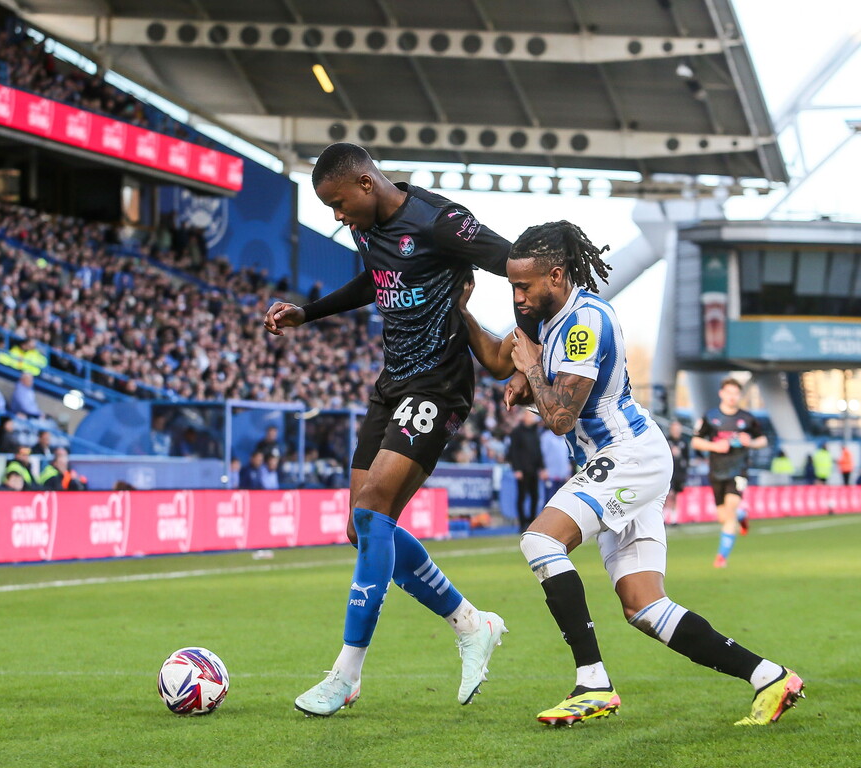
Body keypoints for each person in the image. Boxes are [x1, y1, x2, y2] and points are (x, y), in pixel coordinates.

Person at [459, 220, 802, 727]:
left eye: (524, 285)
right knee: (644, 607)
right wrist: (462, 307)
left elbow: (559, 419)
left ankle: (592, 682)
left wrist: (531, 372)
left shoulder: (584, 323)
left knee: (540, 542)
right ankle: (770, 677)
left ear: (557, 275)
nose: (517, 296)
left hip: (628, 454)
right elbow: (497, 360)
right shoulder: (543, 317)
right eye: (511, 285)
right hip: (618, 461)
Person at [263, 142, 537, 716]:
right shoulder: (369, 229)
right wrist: (307, 313)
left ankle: (345, 674)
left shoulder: (441, 223)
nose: (337, 217)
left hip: (438, 386)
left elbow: (518, 264)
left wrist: (530, 338)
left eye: (339, 204)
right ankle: (472, 624)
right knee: (362, 530)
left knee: (374, 512)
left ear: (366, 183)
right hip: (392, 386)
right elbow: (376, 281)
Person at [691, 378, 768, 566]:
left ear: (739, 395)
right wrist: (714, 446)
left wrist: (750, 442)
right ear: (722, 394)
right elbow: (696, 441)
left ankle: (721, 557)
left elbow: (763, 440)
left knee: (730, 511)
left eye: (736, 393)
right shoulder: (710, 417)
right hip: (717, 471)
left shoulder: (748, 418)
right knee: (723, 517)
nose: (732, 397)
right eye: (729, 393)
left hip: (738, 470)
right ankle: (742, 516)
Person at [507, 409, 546, 531]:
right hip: (522, 470)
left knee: (535, 496)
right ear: (525, 417)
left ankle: (532, 521)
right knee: (522, 497)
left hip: (534, 469)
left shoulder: (535, 431)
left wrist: (542, 468)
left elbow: (538, 451)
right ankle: (522, 524)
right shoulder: (517, 432)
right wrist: (517, 469)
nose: (534, 419)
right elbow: (513, 452)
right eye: (531, 416)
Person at [665, 420, 691, 525]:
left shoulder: (684, 442)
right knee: (668, 494)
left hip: (679, 472)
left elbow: (687, 458)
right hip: (668, 472)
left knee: (675, 495)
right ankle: (664, 518)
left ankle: (674, 519)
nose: (677, 431)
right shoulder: (666, 441)